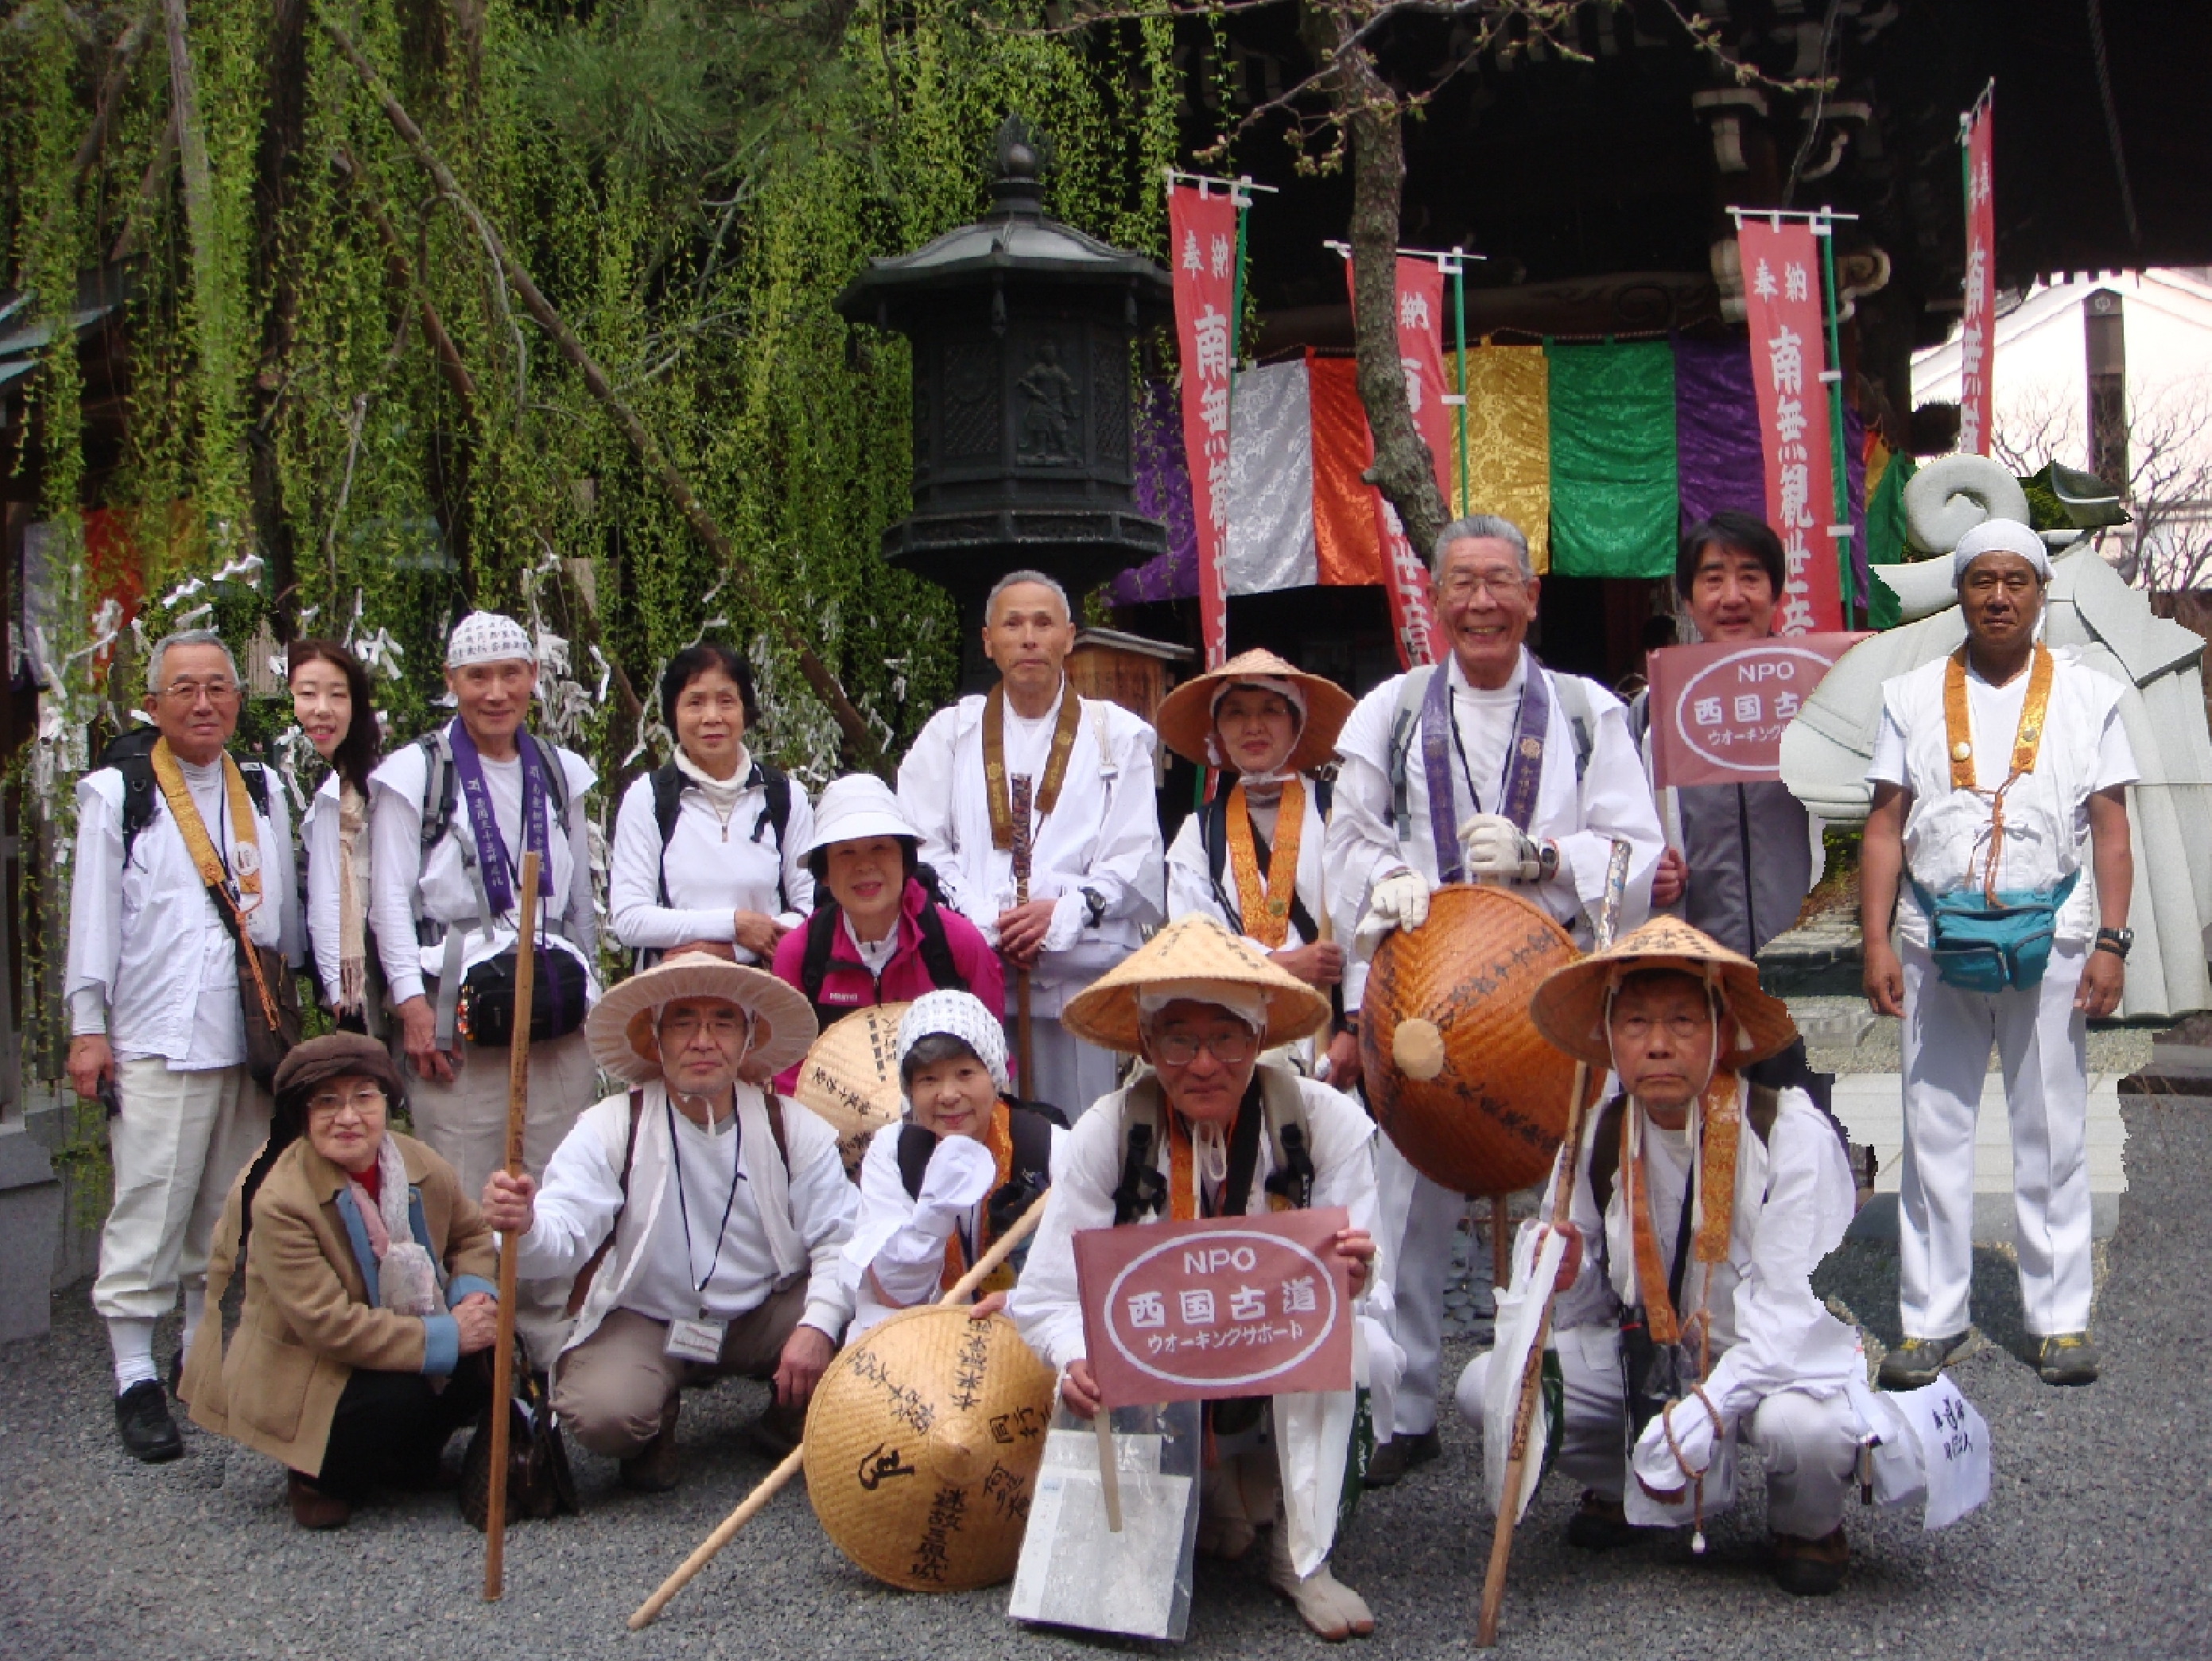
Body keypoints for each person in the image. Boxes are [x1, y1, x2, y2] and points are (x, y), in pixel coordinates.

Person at [1326, 514, 1663, 1486]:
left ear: (1529, 597)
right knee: (1404, 1195)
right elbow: (1347, 841)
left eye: (1498, 583)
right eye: (1460, 584)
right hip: (1423, 990)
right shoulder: (1384, 713)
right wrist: (1384, 881)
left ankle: (1567, 1390)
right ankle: (1405, 1403)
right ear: (1432, 602)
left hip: (1550, 985)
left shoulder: (1585, 710)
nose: (1480, 602)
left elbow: (1634, 849)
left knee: (1573, 1189)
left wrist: (1548, 857)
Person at [1458, 918, 1905, 1596]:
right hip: (1653, 1353)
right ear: (1610, 1038)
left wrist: (1710, 1408)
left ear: (1721, 1033)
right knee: (1491, 1382)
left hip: (1771, 1368)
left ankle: (1808, 1523)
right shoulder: (1598, 1133)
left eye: (1682, 1022)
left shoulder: (1787, 1133)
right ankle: (1627, 1482)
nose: (1659, 1044)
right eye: (1636, 1023)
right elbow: (1579, 1312)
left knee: (1805, 1426)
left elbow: (1800, 1320)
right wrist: (1562, 1268)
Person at [1007, 916, 1395, 1641]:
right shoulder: (1110, 1129)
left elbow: (1379, 1286)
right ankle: (1208, 1503)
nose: (1204, 1063)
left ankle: (1301, 1551)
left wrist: (1351, 1275)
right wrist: (1073, 1355)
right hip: (1163, 1355)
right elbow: (1048, 1296)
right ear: (1148, 1045)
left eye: (1227, 1037)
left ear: (1260, 1038)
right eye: (1179, 1039)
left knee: (1362, 1346)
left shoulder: (1325, 1124)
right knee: (1092, 1353)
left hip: (1275, 1347)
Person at [1860, 518, 2136, 1388]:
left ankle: (2058, 1319)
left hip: (2051, 930)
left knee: (2049, 1125)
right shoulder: (1908, 694)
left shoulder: (2088, 694)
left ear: (2040, 592)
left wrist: (2112, 943)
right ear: (1960, 591)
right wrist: (1874, 940)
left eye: (2016, 579)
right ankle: (1929, 1318)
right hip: (1933, 935)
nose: (1999, 595)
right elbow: (1882, 823)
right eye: (1982, 580)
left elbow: (2111, 827)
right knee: (1932, 1125)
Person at [479, 953, 854, 1492]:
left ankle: (788, 1415)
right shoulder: (610, 1127)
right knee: (602, 1411)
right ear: (656, 1040)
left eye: (723, 1021)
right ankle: (653, 1423)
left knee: (851, 1319)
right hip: (650, 1319)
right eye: (683, 1021)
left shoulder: (792, 1129)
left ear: (747, 1039)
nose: (703, 1039)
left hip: (764, 1311)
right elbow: (559, 1242)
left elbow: (840, 1238)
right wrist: (524, 1223)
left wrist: (816, 1328)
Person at [64, 628, 301, 1461]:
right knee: (150, 1204)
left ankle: (201, 1354)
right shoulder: (117, 792)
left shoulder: (263, 787)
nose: (203, 703)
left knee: (226, 1204)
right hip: (157, 1031)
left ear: (238, 698)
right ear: (156, 703)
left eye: (218, 688)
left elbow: (288, 917)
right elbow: (93, 920)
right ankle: (133, 1371)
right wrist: (87, 1028)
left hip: (246, 1034)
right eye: (184, 689)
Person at [367, 611, 598, 1366]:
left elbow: (577, 905)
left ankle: (546, 1363)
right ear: (452, 683)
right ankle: (471, 1357)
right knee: (466, 1184)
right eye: (477, 677)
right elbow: (390, 901)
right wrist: (410, 1007)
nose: (495, 692)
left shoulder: (558, 770)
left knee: (555, 1171)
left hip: (552, 1007)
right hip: (457, 1003)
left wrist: (594, 1001)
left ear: (534, 677)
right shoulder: (416, 775)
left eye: (511, 674)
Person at [180, 1034, 498, 1529]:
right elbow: (331, 1326)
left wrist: (475, 1298)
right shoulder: (283, 1201)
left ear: (387, 1106)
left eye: (364, 1097)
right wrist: (450, 1335)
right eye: (327, 1101)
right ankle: (320, 1477)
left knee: (489, 1354)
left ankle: (408, 1458)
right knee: (404, 1387)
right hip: (313, 1363)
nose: (348, 1117)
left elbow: (471, 1235)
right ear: (300, 1115)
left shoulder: (419, 1164)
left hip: (395, 1334)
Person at [897, 569, 1164, 1115]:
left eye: (1043, 623)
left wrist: (1064, 913)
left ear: (1069, 636)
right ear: (988, 641)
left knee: (1081, 1136)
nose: (1028, 637)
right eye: (1012, 623)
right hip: (978, 969)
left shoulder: (1117, 733)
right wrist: (984, 918)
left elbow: (1136, 855)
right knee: (982, 1134)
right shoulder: (950, 733)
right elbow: (920, 847)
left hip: (1077, 974)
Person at [1636, 512, 1830, 1104]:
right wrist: (1649, 870)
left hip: (1809, 965)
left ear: (1777, 593)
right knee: (1710, 1146)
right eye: (1712, 578)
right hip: (1700, 970)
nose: (1732, 596)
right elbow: (1618, 834)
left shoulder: (1824, 695)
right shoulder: (1650, 714)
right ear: (1688, 599)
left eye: (1750, 576)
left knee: (1810, 1133)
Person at [1156, 648, 1354, 1073]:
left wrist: (1353, 1032)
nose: (1254, 727)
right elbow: (1193, 939)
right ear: (1218, 734)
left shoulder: (1337, 812)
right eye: (1236, 714)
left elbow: (1367, 929)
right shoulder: (1199, 832)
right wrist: (1282, 964)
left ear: (1296, 725)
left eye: (1271, 711)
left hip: (1328, 1034)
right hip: (1231, 1041)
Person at [840, 991, 1064, 1337]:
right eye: (928, 1080)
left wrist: (1017, 1304)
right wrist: (933, 1214)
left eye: (964, 1074)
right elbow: (894, 1292)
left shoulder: (1051, 1146)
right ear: (909, 1090)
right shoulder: (894, 1150)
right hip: (922, 1331)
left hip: (1022, 1325)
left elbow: (1076, 1277)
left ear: (995, 1075)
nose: (947, 1095)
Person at [769, 774, 1003, 1089]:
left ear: (906, 861)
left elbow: (993, 1062)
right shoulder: (800, 954)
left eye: (879, 848)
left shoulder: (957, 942)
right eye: (846, 852)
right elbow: (787, 1075)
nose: (865, 866)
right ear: (823, 872)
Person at [608, 642, 814, 968]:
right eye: (695, 702)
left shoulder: (785, 797)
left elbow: (809, 911)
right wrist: (734, 924)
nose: (712, 717)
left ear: (745, 711)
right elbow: (630, 919)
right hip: (676, 995)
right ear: (672, 714)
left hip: (770, 994)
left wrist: (731, 953)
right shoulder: (648, 798)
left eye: (726, 701)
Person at [289, 639, 383, 1029]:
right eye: (307, 694)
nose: (322, 709)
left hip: (362, 990)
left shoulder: (370, 791)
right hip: (286, 991)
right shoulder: (262, 787)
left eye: (338, 696)